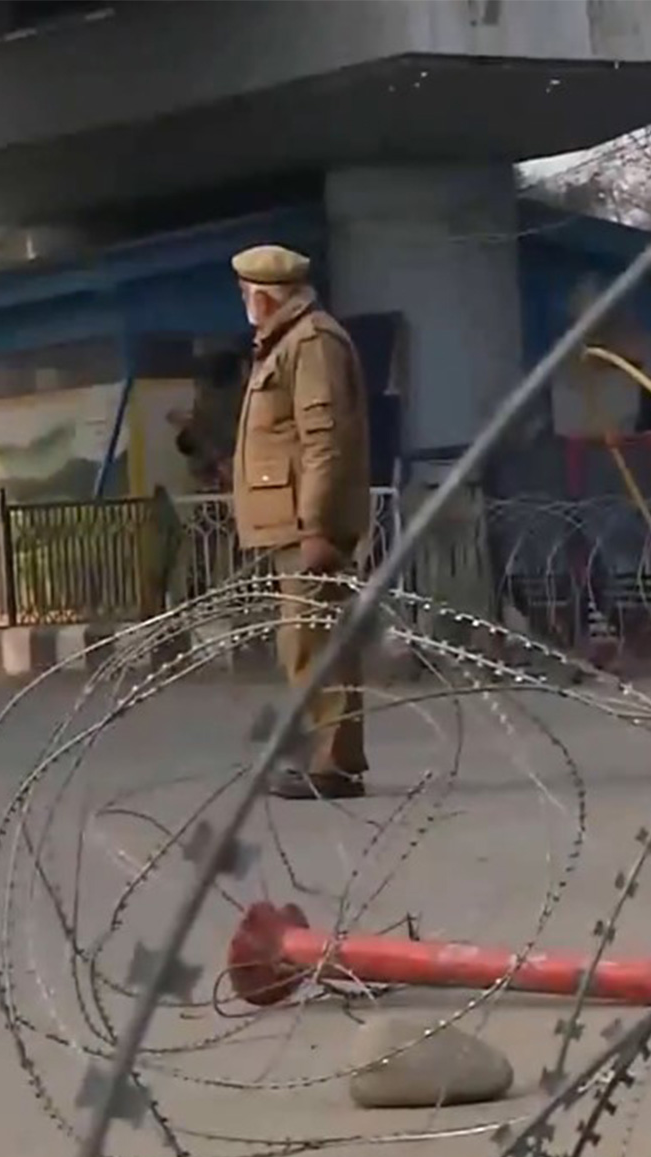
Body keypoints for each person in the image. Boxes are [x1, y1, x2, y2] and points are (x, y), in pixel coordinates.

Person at [231, 244, 371, 799]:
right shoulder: (285, 344)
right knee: (304, 641)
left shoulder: (311, 344)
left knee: (316, 640)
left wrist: (315, 525)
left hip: (307, 526)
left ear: (263, 297)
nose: (246, 304)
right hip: (290, 523)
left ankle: (332, 764)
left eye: (247, 295)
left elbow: (325, 442)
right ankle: (327, 753)